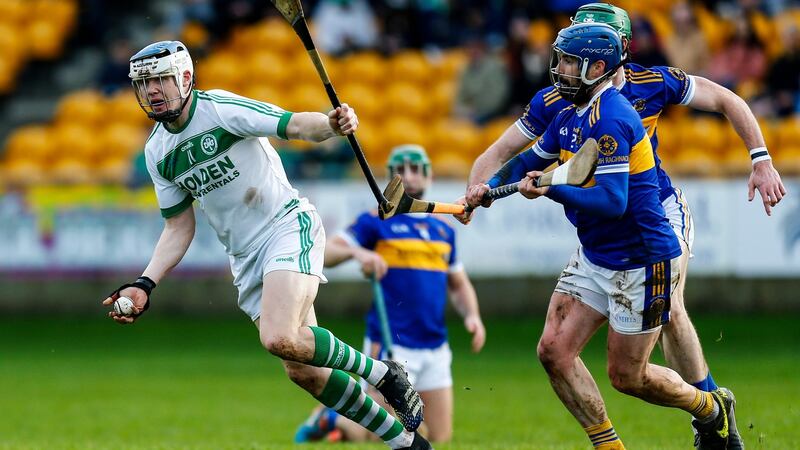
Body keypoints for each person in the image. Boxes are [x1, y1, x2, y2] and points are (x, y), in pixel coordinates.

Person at [463, 3, 786, 446]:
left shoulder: (624, 107)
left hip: (643, 232)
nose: (559, 68)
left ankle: (710, 409)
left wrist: (760, 157)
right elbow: (517, 156)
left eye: (571, 58)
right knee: (554, 350)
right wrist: (481, 190)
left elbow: (613, 200)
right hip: (599, 240)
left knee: (644, 351)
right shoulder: (563, 104)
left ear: (604, 59)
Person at [101, 40, 431, 450]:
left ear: (185, 78)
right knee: (303, 371)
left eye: (162, 80)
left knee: (277, 337)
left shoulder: (220, 110)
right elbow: (178, 228)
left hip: (287, 227)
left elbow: (291, 124)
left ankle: (385, 374)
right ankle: (407, 444)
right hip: (246, 258)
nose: (153, 91)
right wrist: (145, 283)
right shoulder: (157, 152)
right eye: (145, 83)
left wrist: (330, 125)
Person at [295, 144, 485, 444]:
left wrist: (473, 316)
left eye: (415, 168)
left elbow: (458, 283)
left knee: (439, 436)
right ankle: (332, 418)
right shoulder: (376, 220)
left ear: (429, 174)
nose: (408, 176)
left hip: (434, 344)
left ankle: (333, 419)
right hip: (391, 341)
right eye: (400, 169)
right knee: (375, 429)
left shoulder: (443, 229)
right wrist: (360, 254)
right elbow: (328, 251)